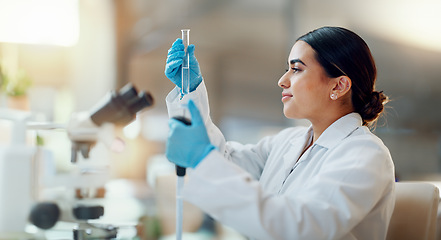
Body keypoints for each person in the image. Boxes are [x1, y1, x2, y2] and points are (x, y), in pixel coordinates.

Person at [164, 26, 395, 240]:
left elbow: (302, 228)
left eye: (296, 69)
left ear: (338, 86)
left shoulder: (365, 154)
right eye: (288, 69)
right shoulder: (287, 142)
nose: (282, 81)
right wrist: (191, 91)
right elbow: (224, 163)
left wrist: (202, 159)